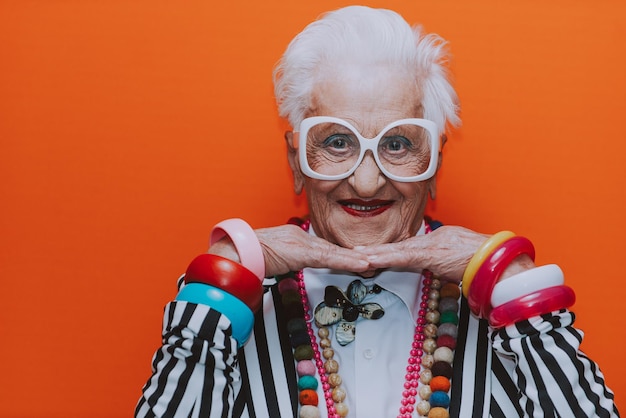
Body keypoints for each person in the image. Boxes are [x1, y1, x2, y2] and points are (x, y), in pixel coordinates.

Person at [135, 6, 619, 418]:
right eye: (337, 142)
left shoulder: (504, 316)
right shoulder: (227, 306)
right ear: (296, 162)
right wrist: (225, 271)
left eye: (398, 144)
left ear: (433, 164)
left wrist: (511, 275)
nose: (366, 181)